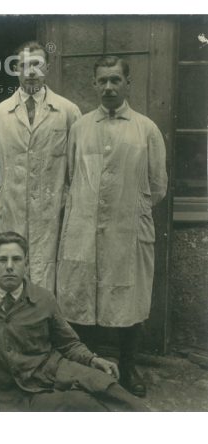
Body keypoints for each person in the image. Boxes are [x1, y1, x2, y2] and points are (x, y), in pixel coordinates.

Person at [56, 56, 168, 398]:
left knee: (129, 300)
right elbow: (73, 176)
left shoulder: (145, 129)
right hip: (84, 229)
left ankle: (129, 367)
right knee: (80, 298)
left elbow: (158, 185)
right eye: (102, 80)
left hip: (127, 229)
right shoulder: (81, 127)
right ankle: (87, 369)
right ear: (94, 84)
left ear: (127, 84)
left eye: (115, 80)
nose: (108, 87)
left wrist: (128, 212)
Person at [0, 232, 148, 411]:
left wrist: (93, 360)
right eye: (2, 260)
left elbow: (68, 343)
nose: (9, 266)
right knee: (83, 404)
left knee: (106, 385)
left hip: (52, 371)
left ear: (26, 264)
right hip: (11, 390)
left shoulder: (43, 298)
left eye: (16, 259)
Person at [0, 41, 81, 292]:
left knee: (50, 275)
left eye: (37, 64)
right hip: (11, 207)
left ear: (47, 68)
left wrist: (73, 203)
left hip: (53, 210)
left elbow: (79, 166)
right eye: (24, 65)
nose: (31, 71)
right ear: (16, 69)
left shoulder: (67, 111)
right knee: (11, 267)